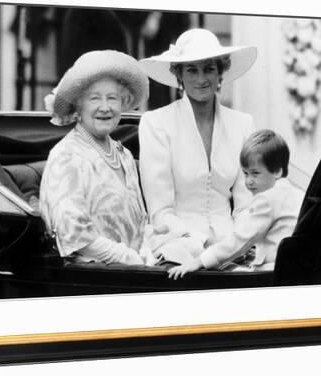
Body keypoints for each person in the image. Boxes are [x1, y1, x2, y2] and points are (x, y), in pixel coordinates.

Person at [138, 28, 258, 264]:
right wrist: (197, 245)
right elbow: (160, 211)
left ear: (220, 73)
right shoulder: (156, 123)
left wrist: (237, 244)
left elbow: (247, 205)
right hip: (175, 244)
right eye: (191, 70)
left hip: (232, 247)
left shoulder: (243, 124)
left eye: (209, 69)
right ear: (179, 75)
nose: (201, 79)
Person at [40, 50, 153, 265]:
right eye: (94, 98)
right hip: (93, 277)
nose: (105, 107)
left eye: (112, 98)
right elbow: (73, 235)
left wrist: (146, 251)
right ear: (78, 107)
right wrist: (128, 258)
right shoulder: (66, 155)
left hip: (135, 273)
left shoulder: (124, 155)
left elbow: (140, 222)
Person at [168, 130, 305, 278]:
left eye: (255, 173)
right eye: (245, 173)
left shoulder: (267, 199)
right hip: (296, 267)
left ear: (277, 171)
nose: (248, 181)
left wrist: (199, 261)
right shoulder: (296, 193)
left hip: (273, 271)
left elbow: (241, 240)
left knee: (220, 270)